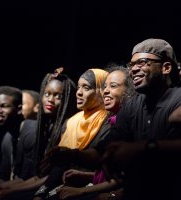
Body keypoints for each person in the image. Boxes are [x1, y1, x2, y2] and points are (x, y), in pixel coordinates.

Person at [43, 38, 181, 200]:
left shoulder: (177, 99)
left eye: (142, 63)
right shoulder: (132, 107)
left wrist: (143, 148)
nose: (133, 70)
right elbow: (102, 152)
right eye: (132, 65)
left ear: (165, 67)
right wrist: (71, 154)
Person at [0, 68, 77, 200]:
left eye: (58, 96)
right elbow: (37, 176)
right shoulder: (47, 130)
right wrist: (8, 189)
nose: (50, 100)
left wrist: (10, 191)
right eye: (47, 94)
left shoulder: (68, 127)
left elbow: (52, 178)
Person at [56, 65, 135, 200]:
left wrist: (82, 191)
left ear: (130, 91)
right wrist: (87, 175)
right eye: (105, 87)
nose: (105, 91)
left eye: (113, 86)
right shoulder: (113, 120)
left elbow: (127, 177)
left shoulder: (123, 122)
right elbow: (112, 173)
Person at [33, 68, 110, 200]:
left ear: (101, 91)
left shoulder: (109, 121)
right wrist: (40, 193)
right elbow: (60, 165)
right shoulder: (72, 122)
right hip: (58, 185)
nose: (78, 93)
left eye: (86, 88)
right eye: (79, 87)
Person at [0, 86, 37, 198]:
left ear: (19, 109)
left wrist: (3, 190)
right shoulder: (7, 137)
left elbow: (29, 178)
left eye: (4, 106)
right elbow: (3, 175)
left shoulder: (31, 132)